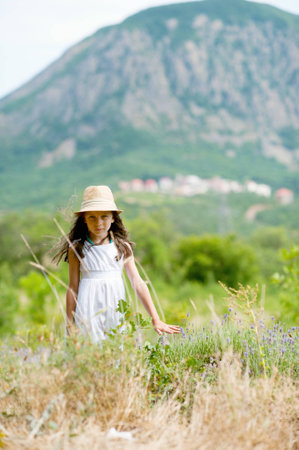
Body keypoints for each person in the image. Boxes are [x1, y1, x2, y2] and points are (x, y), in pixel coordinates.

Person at [53, 185, 180, 342]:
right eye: (92, 217)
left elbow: (137, 283)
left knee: (115, 349)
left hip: (115, 308)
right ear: (84, 219)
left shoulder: (122, 247)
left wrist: (155, 318)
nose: (98, 222)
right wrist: (70, 323)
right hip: (87, 309)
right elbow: (73, 288)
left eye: (104, 216)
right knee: (89, 350)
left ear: (113, 218)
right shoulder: (77, 249)